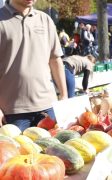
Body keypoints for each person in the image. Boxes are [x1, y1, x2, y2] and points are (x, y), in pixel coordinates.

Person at [0, 0, 67, 131]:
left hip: (48, 107)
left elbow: (55, 59)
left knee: (54, 150)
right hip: (12, 111)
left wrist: (64, 95)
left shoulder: (45, 20)